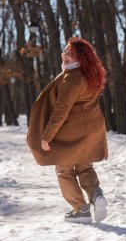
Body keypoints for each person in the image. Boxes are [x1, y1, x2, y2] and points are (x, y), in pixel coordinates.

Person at [26, 37, 108, 224]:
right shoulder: (88, 74)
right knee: (84, 166)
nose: (65, 55)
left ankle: (81, 210)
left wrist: (47, 137)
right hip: (89, 131)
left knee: (64, 170)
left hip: (72, 132)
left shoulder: (71, 77)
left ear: (81, 56)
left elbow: (61, 110)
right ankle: (96, 195)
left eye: (70, 53)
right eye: (64, 51)